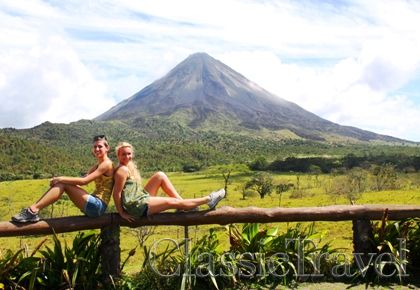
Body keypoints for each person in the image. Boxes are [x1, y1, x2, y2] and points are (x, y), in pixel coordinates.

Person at [112, 142, 225, 222]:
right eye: (123, 154)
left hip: (139, 198)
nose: (127, 156)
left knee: (160, 176)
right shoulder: (122, 170)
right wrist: (121, 213)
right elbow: (116, 193)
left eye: (129, 154)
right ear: (118, 155)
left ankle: (183, 205)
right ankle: (209, 199)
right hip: (136, 206)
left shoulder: (128, 167)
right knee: (172, 201)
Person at [12, 135, 114, 223]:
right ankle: (33, 210)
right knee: (62, 183)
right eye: (95, 147)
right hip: (94, 204)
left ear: (107, 148)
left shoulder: (106, 164)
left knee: (63, 184)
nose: (96, 149)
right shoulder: (98, 164)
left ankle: (32, 211)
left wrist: (61, 179)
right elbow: (83, 178)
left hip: (98, 206)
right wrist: (61, 181)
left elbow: (84, 181)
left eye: (100, 146)